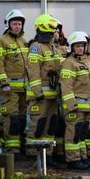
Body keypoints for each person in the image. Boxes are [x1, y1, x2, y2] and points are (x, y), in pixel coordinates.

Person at [59, 31, 90, 170]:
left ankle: (82, 157)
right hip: (75, 106)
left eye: (82, 46)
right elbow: (66, 86)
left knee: (82, 133)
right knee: (73, 133)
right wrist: (71, 105)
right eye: (77, 46)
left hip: (88, 105)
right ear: (71, 47)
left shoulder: (87, 61)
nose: (80, 48)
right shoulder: (69, 63)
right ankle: (72, 160)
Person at [26, 13, 62, 164]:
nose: (55, 32)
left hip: (53, 96)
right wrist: (38, 93)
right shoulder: (36, 48)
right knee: (37, 125)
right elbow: (33, 72)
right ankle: (34, 156)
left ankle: (48, 155)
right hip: (39, 97)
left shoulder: (52, 47)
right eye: (53, 28)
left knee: (51, 125)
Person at [0, 10, 29, 156]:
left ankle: (20, 147)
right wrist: (4, 83)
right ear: (8, 24)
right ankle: (12, 150)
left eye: (19, 24)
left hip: (24, 89)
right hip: (10, 89)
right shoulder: (1, 41)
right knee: (11, 118)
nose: (17, 26)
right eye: (14, 24)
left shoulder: (24, 41)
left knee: (22, 119)